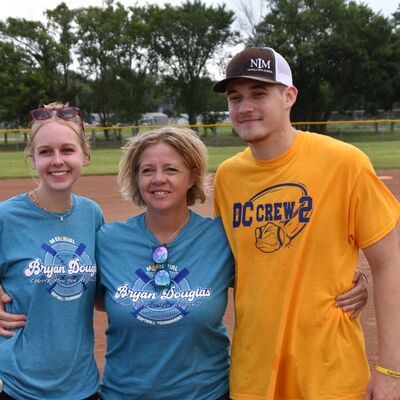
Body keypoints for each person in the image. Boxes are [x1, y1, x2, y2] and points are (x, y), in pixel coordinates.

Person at [0, 125, 368, 399]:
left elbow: (277, 270)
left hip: (206, 392)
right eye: (147, 171)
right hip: (124, 393)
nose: (158, 180)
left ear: (193, 175)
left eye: (171, 170)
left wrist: (346, 279)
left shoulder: (221, 239)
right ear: (136, 178)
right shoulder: (108, 239)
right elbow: (77, 285)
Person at [212, 46, 400, 399]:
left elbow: (390, 263)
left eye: (258, 93)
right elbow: (239, 267)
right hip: (254, 374)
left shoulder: (344, 163)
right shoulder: (228, 177)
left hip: (329, 373)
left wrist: (392, 370)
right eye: (235, 98)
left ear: (289, 96)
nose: (245, 106)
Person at [0, 103, 104, 400]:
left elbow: (101, 295)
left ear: (85, 154)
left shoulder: (92, 214)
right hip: (18, 386)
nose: (57, 161)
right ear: (33, 159)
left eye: (67, 150)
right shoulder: (6, 217)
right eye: (46, 152)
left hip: (82, 386)